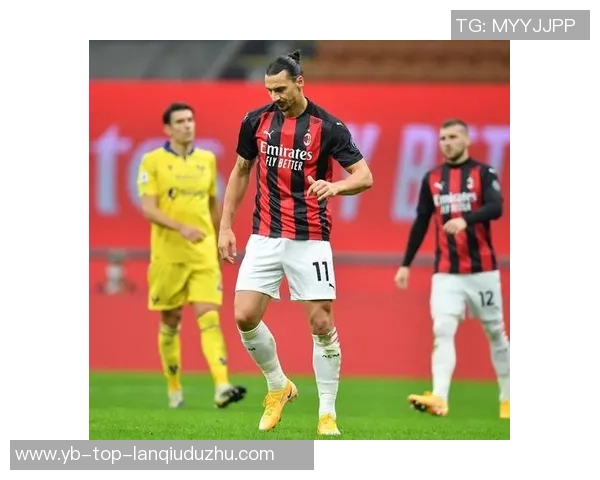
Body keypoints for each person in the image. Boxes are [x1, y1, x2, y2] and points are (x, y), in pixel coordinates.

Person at [218, 50, 373, 435]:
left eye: (281, 89)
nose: (275, 97)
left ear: (300, 82)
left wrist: (335, 186)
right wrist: (225, 226)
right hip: (265, 235)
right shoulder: (255, 121)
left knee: (321, 323)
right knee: (244, 316)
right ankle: (278, 386)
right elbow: (241, 170)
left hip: (310, 238)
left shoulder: (328, 127)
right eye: (270, 90)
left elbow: (364, 176)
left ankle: (327, 413)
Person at [394, 119, 510, 420]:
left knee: (496, 333)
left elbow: (496, 207)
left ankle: (508, 399)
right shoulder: (432, 178)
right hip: (446, 272)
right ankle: (440, 398)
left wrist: (465, 219)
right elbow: (421, 221)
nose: (447, 142)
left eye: (453, 137)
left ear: (467, 140)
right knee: (442, 330)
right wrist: (405, 264)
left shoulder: (483, 173)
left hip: (482, 272)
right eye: (443, 138)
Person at [136, 102, 247, 409]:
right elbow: (148, 208)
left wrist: (219, 238)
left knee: (209, 315)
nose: (187, 125)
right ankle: (174, 390)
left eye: (190, 120)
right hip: (168, 255)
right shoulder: (152, 161)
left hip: (202, 253)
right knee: (171, 320)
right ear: (168, 129)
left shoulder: (206, 159)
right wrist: (181, 227)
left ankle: (222, 385)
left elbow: (211, 205)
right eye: (180, 121)